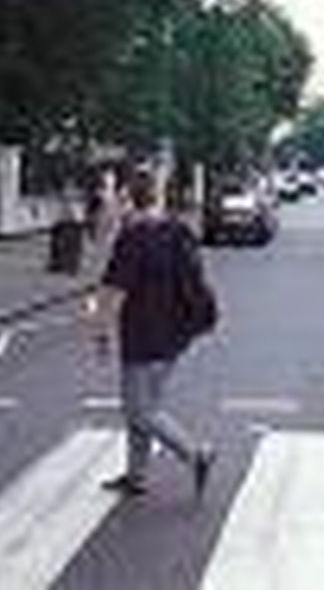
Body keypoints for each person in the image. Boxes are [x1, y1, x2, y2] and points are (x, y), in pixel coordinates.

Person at [91, 169, 215, 498]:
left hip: (143, 335)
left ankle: (196, 454)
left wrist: (102, 333)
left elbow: (112, 291)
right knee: (147, 405)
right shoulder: (177, 230)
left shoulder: (133, 237)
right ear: (156, 197)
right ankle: (137, 476)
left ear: (128, 199)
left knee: (140, 411)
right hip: (176, 333)